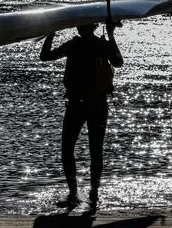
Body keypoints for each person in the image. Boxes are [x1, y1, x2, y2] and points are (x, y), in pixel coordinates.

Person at [40, 22, 123, 210]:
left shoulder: (80, 45)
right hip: (86, 105)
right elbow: (118, 61)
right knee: (76, 150)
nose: (80, 29)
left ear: (90, 28)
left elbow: (45, 56)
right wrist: (110, 36)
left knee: (87, 150)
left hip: (89, 105)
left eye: (82, 27)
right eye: (80, 27)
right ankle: (81, 194)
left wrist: (50, 33)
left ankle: (86, 193)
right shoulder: (91, 45)